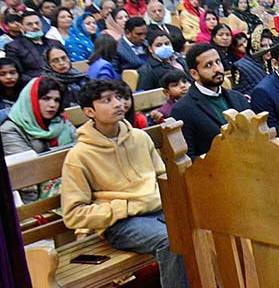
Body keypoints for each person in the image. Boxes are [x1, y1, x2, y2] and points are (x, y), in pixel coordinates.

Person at [61, 79, 188, 288]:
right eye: (107, 100)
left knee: (205, 224)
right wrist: (123, 208)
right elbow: (73, 214)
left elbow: (163, 176)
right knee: (171, 240)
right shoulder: (79, 156)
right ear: (89, 111)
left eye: (119, 97)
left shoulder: (139, 137)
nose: (118, 103)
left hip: (158, 209)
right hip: (122, 222)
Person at [170, 44, 249, 159]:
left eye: (218, 62)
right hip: (215, 172)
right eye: (208, 65)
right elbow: (188, 158)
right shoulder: (183, 109)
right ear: (194, 74)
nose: (217, 69)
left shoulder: (238, 98)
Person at [6, 11, 60, 83]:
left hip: (61, 80)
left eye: (37, 23)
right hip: (35, 84)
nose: (35, 27)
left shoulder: (55, 43)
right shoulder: (13, 47)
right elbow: (18, 74)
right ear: (22, 27)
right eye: (29, 24)